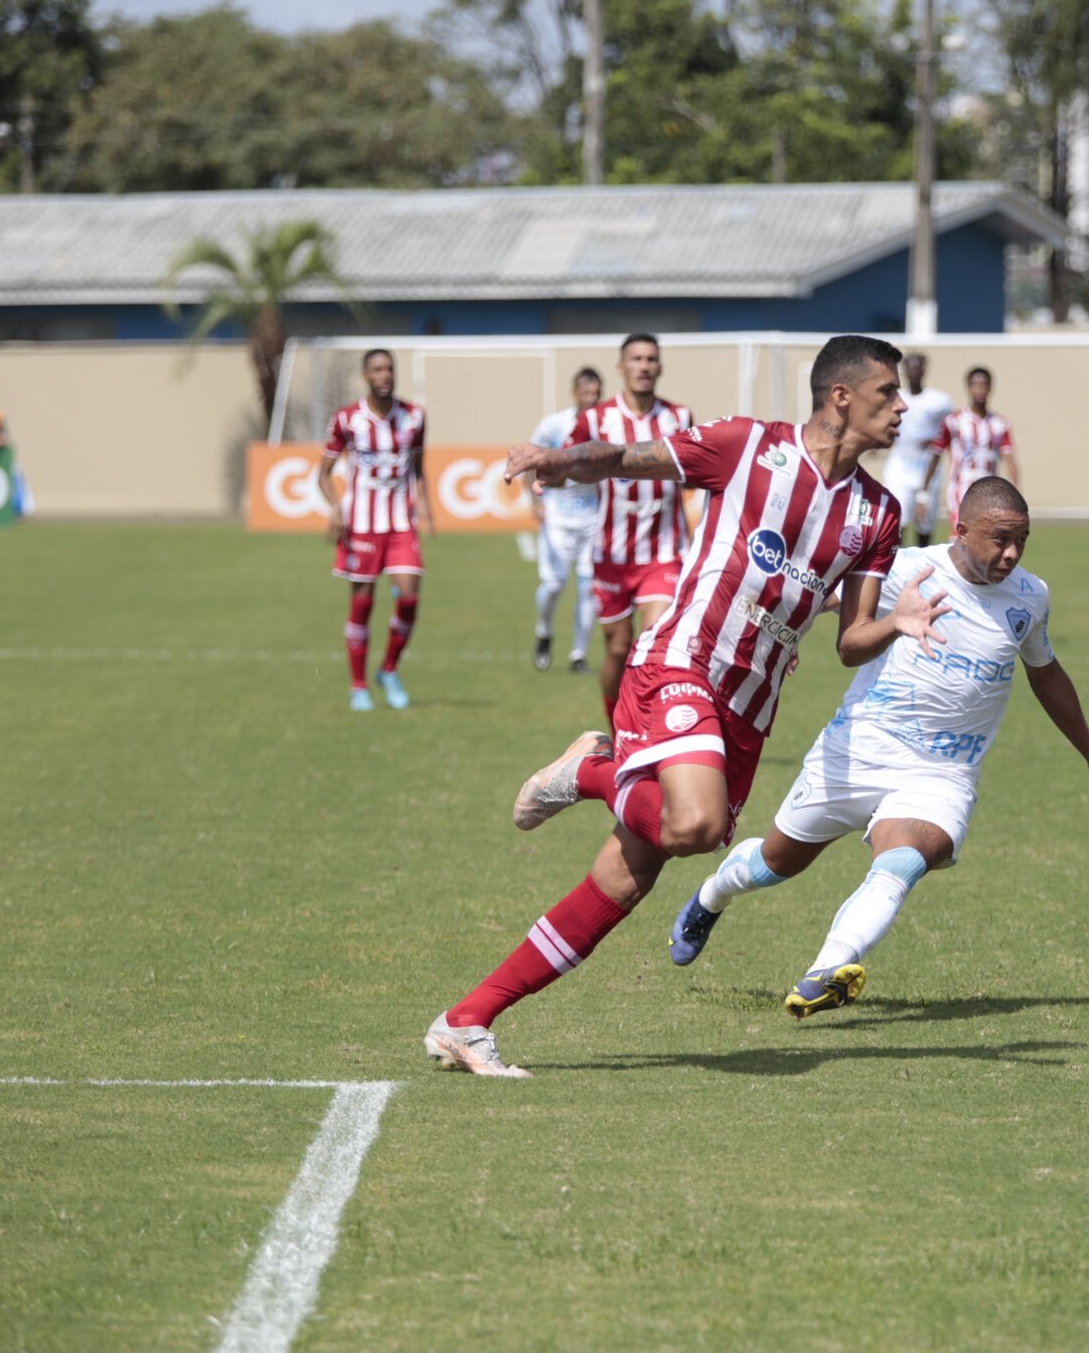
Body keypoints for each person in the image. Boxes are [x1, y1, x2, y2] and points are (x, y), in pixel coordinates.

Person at [423, 334, 935, 1078]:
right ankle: (597, 770)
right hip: (681, 662)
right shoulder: (748, 447)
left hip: (748, 711)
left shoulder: (878, 514)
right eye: (889, 393)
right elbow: (632, 459)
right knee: (695, 824)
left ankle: (468, 1020)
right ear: (841, 397)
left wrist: (899, 623)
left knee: (629, 879)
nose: (902, 406)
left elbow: (851, 641)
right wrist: (559, 462)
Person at [666, 476, 1089, 1016]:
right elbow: (815, 599)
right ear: (960, 530)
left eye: (1021, 541)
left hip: (943, 773)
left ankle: (828, 968)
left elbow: (1046, 673)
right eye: (999, 539)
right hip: (858, 749)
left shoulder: (1030, 597)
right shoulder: (907, 569)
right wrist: (781, 641)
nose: (1011, 554)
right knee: (775, 862)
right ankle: (712, 896)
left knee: (907, 857)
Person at [567, 333, 695, 724]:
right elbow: (569, 460)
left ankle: (653, 731)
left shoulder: (679, 417)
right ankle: (618, 729)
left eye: (651, 359)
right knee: (619, 649)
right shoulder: (596, 418)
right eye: (636, 359)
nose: (644, 366)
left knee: (655, 642)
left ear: (660, 367)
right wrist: (547, 474)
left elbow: (695, 473)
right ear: (621, 368)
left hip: (665, 552)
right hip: (612, 555)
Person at [316, 348, 433, 713]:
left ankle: (389, 670)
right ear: (366, 375)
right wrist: (335, 509)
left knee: (410, 598)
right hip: (361, 526)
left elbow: (418, 467)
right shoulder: (347, 419)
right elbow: (322, 472)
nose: (385, 375)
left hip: (400, 524)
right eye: (378, 370)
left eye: (390, 369)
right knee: (362, 605)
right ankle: (358, 686)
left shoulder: (414, 416)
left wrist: (426, 505)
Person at [530, 367, 605, 674]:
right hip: (558, 515)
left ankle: (578, 654)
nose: (591, 398)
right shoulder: (554, 424)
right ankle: (544, 631)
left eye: (596, 394)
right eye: (586, 393)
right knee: (555, 583)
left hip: (593, 517)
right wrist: (536, 501)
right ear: (574, 392)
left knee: (588, 588)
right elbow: (532, 459)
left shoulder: (607, 423)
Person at [930, 366, 1019, 531]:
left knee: (985, 541)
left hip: (989, 491)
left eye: (984, 385)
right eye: (975, 385)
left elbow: (1009, 460)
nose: (980, 390)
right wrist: (924, 491)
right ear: (968, 388)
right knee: (961, 537)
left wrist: (1015, 492)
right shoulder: (953, 421)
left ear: (991, 388)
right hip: (961, 488)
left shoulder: (1000, 424)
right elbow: (935, 454)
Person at [887, 352, 957, 547]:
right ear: (904, 371)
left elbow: (951, 429)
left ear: (924, 370)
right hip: (901, 467)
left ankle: (921, 564)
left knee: (924, 521)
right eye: (910, 367)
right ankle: (896, 564)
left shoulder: (939, 400)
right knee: (898, 517)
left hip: (928, 468)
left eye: (917, 367)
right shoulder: (896, 398)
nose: (913, 372)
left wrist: (934, 440)